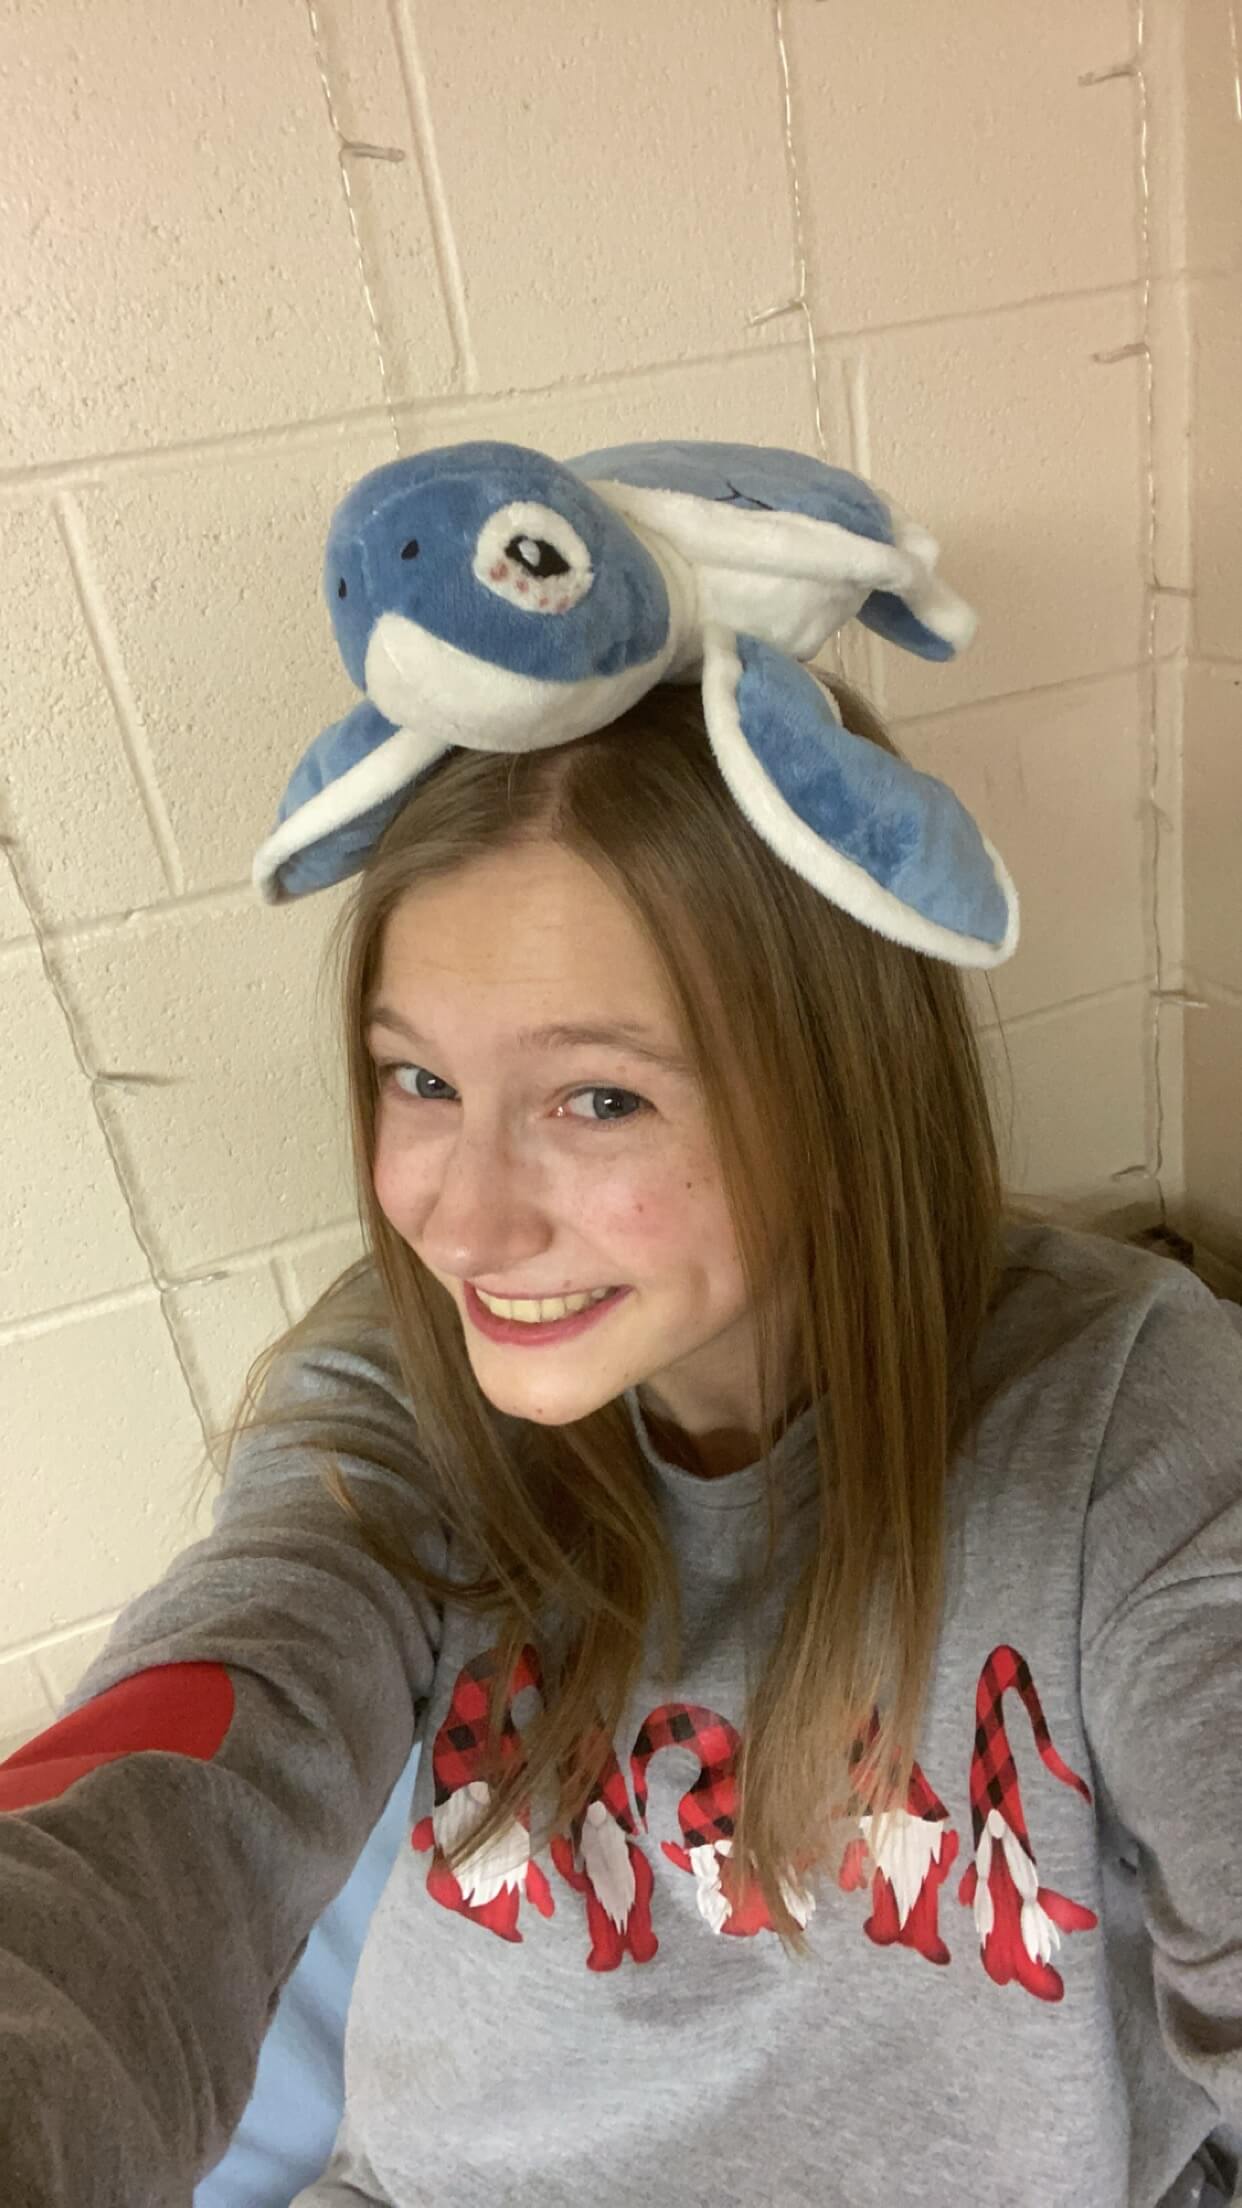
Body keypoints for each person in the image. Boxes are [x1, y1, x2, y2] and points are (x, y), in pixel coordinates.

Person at [2, 450, 1240, 2207]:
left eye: (596, 1102)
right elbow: (187, 1768)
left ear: (838, 1094)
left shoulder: (1133, 1430)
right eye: (419, 1079)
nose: (462, 1215)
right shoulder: (398, 1396)